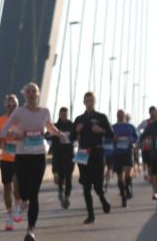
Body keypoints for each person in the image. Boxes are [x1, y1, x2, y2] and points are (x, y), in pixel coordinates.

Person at [0, 82, 62, 241]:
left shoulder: (44, 112)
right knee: (25, 193)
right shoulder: (19, 113)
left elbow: (49, 127)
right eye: (28, 91)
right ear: (25, 95)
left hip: (38, 156)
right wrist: (15, 135)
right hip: (22, 156)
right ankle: (21, 202)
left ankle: (31, 230)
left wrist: (58, 134)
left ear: (38, 94)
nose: (31, 94)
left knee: (34, 194)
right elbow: (3, 131)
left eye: (34, 91)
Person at [71, 92, 114, 224]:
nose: (89, 103)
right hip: (83, 153)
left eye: (91, 100)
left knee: (98, 185)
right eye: (87, 100)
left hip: (97, 152)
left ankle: (103, 199)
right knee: (86, 186)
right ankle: (91, 215)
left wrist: (101, 131)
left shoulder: (101, 117)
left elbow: (112, 134)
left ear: (94, 102)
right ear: (84, 102)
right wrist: (77, 131)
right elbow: (71, 138)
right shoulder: (79, 119)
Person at [0, 94, 22, 230]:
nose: (11, 107)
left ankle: (17, 206)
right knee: (7, 188)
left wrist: (18, 136)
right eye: (9, 105)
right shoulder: (0, 121)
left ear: (18, 106)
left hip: (20, 157)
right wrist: (2, 136)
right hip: (6, 158)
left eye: (14, 105)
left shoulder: (22, 120)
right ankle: (9, 215)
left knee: (17, 184)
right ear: (5, 106)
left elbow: (30, 136)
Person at [111, 109, 139, 207]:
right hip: (117, 153)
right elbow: (107, 138)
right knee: (119, 176)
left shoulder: (130, 127)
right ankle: (123, 196)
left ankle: (127, 188)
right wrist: (113, 138)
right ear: (116, 116)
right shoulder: (113, 127)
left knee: (128, 173)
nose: (120, 116)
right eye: (118, 114)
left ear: (124, 116)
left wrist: (130, 140)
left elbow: (136, 138)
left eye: (121, 114)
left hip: (128, 152)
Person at [50, 106, 75, 209]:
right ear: (59, 114)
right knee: (60, 176)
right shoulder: (55, 126)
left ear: (67, 115)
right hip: (58, 154)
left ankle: (67, 196)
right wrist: (55, 135)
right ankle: (60, 191)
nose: (64, 116)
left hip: (69, 154)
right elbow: (48, 135)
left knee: (68, 177)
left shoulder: (72, 125)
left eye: (66, 114)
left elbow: (77, 136)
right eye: (62, 114)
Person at [137, 106, 156, 181]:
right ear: (149, 113)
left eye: (154, 112)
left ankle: (153, 176)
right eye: (151, 112)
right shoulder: (145, 122)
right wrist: (141, 138)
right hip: (147, 146)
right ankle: (151, 177)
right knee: (149, 163)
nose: (153, 113)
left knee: (155, 162)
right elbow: (137, 129)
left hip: (156, 146)